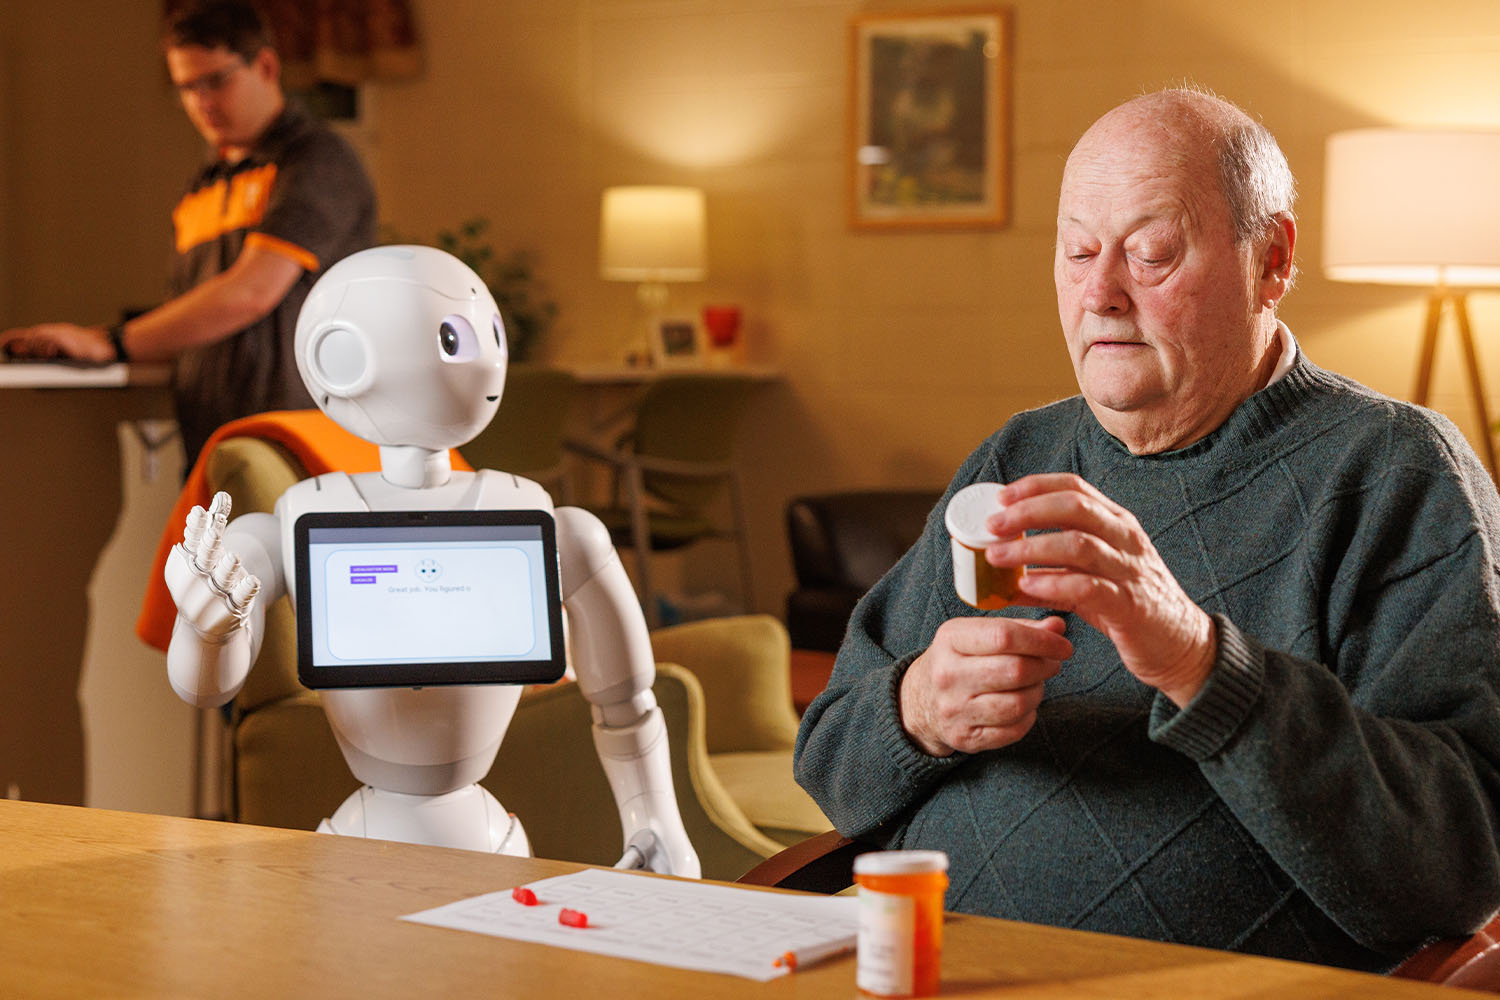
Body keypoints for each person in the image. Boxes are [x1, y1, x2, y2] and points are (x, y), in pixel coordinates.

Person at [794, 86, 1500, 974]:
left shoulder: (1394, 472)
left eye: (1152, 253)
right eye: (1079, 250)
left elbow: (1458, 865)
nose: (1101, 293)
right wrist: (920, 707)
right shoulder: (1019, 453)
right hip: (938, 970)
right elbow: (827, 754)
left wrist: (1198, 660)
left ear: (1271, 259)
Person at [0, 0, 376, 468]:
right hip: (214, 447)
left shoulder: (316, 159)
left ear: (266, 66)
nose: (203, 102)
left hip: (300, 451)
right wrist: (84, 345)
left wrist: (114, 342)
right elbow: (196, 313)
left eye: (216, 80)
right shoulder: (202, 188)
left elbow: (251, 292)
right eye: (187, 87)